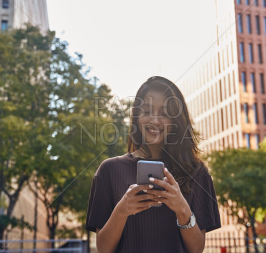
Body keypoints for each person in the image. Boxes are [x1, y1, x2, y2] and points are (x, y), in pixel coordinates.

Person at [85, 76, 221, 252]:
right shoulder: (109, 170)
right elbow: (103, 249)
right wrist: (122, 210)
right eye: (147, 111)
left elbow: (196, 249)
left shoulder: (196, 172)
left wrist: (182, 209)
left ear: (175, 120)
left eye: (164, 113)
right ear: (136, 116)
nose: (155, 121)